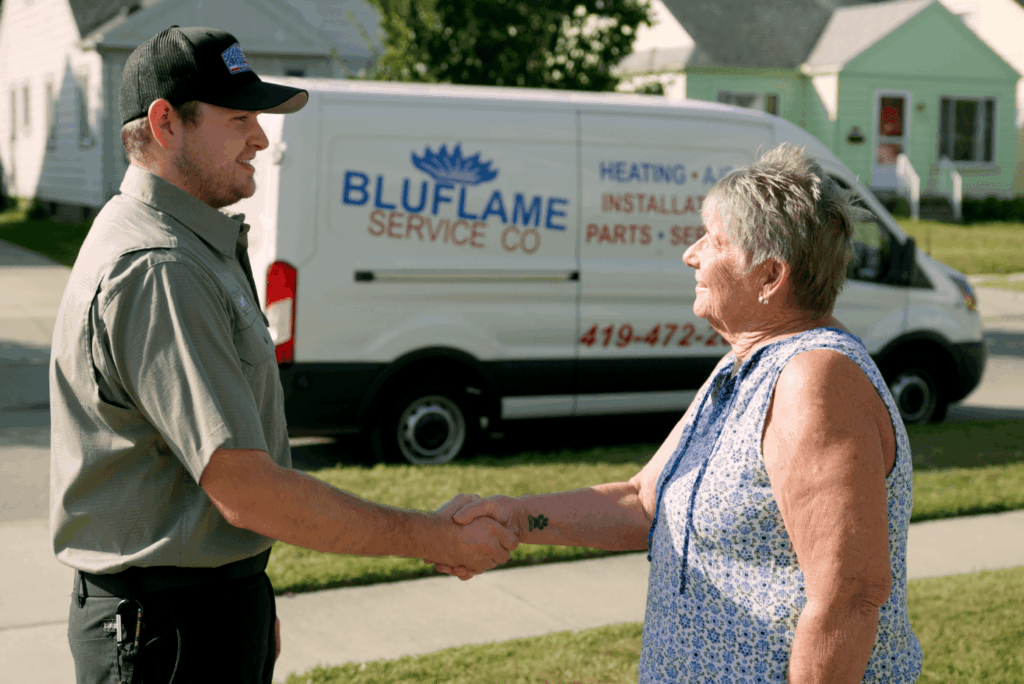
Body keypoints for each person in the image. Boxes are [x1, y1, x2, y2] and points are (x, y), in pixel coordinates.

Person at [49, 26, 515, 684]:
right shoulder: (159, 267)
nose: (261, 140)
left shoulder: (184, 243)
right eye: (240, 118)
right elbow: (245, 488)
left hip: (192, 611)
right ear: (165, 124)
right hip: (169, 629)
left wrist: (243, 594)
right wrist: (432, 536)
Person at [442, 144, 923, 683]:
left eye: (713, 241)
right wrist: (516, 516)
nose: (690, 255)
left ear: (769, 276)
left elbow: (850, 597)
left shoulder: (814, 380)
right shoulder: (743, 366)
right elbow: (643, 503)